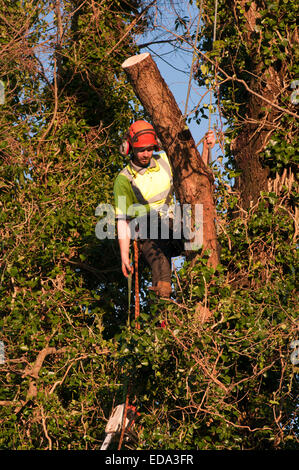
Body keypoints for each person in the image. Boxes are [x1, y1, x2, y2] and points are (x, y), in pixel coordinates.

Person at [113, 120, 215, 298]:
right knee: (161, 261)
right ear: (129, 148)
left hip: (170, 224)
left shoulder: (166, 161)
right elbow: (123, 220)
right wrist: (124, 254)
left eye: (149, 149)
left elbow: (195, 177)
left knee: (199, 241)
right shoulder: (124, 179)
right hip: (147, 233)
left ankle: (204, 290)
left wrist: (207, 149)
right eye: (141, 150)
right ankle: (162, 302)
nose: (146, 154)